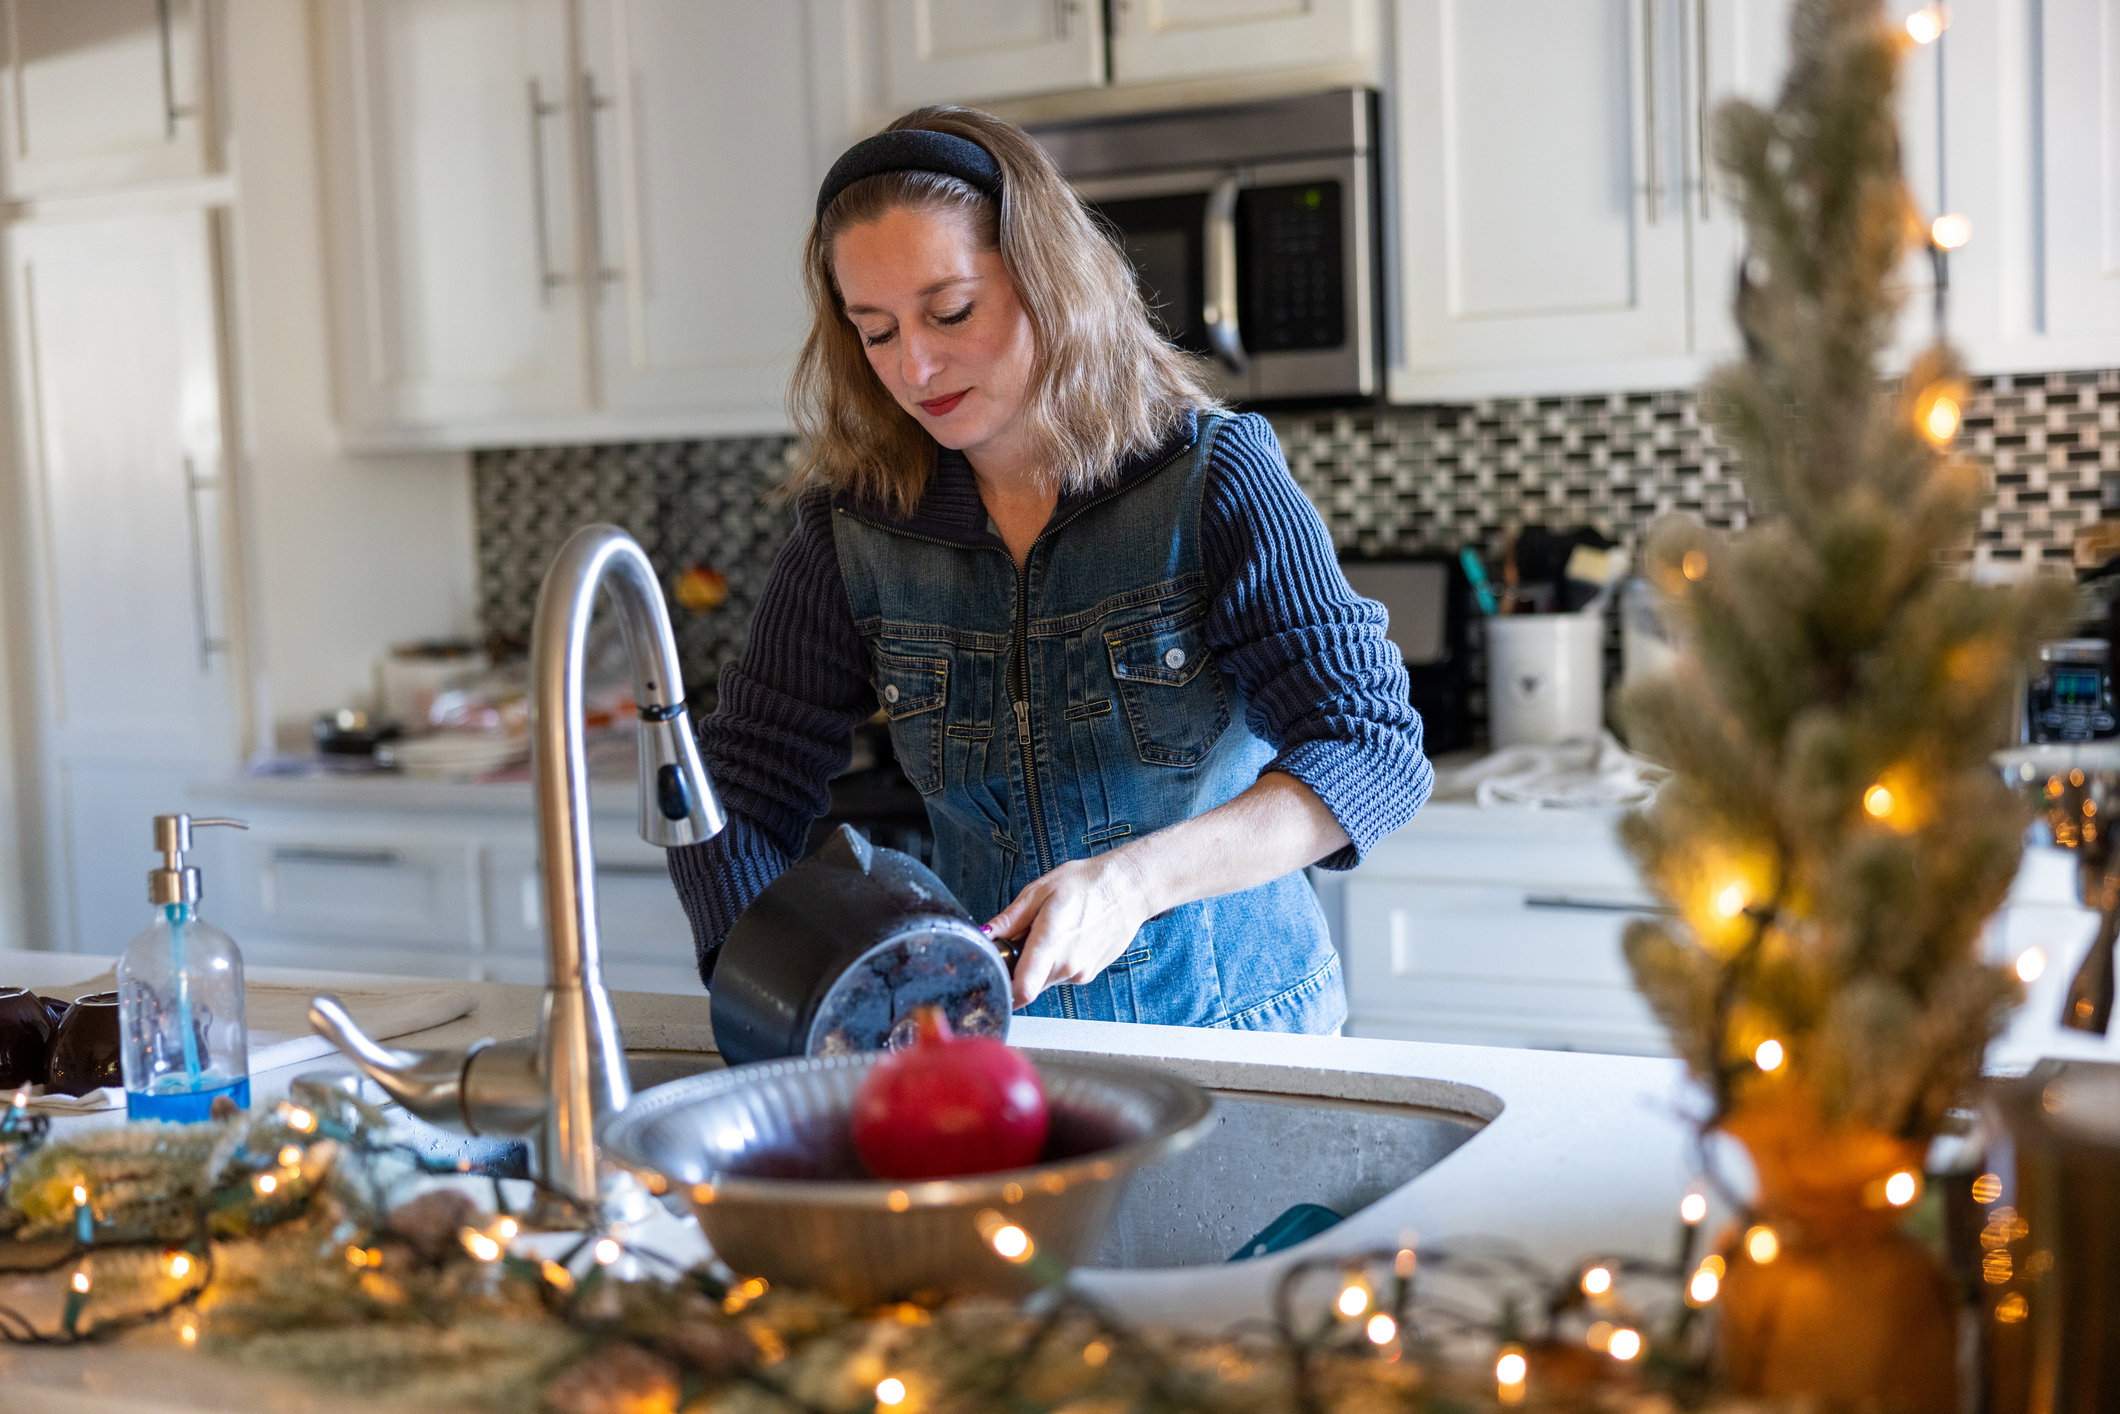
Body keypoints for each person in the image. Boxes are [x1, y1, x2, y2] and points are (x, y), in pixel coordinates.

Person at [668, 106, 1430, 1033]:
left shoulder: (1210, 481)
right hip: (995, 1040)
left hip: (1242, 1030)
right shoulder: (856, 527)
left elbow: (1371, 747)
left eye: (951, 312)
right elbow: (743, 784)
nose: (915, 367)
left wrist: (1131, 884)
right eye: (875, 331)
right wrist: (774, 982)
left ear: (1049, 281)